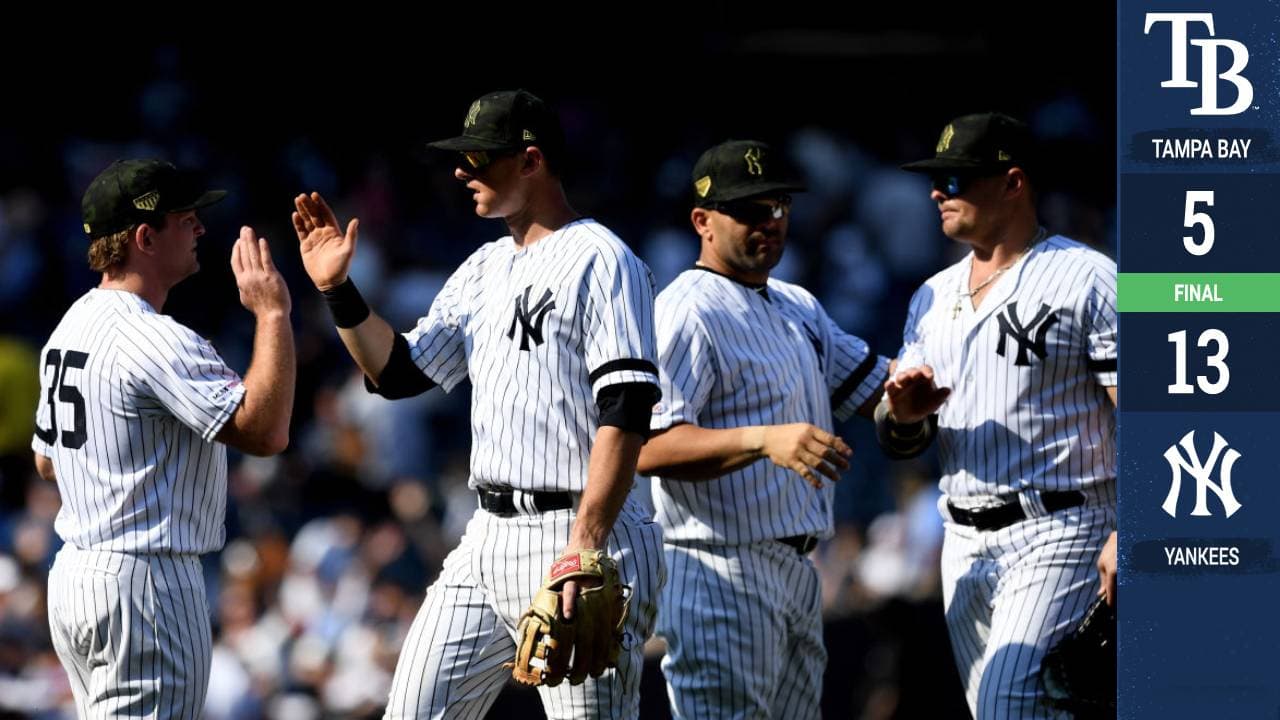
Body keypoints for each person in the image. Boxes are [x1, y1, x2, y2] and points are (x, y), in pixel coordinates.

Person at [292, 89, 664, 719]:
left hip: (579, 531)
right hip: (486, 533)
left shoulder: (603, 259)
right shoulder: (484, 266)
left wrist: (585, 546)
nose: (462, 171)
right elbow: (398, 372)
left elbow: (625, 410)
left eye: (481, 157)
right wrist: (338, 292)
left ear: (531, 161)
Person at [636, 140, 891, 719]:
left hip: (798, 571)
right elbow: (647, 445)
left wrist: (915, 386)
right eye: (749, 210)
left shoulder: (797, 303)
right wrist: (761, 438)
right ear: (702, 220)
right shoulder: (687, 309)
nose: (770, 223)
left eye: (778, 207)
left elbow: (876, 384)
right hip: (718, 568)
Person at [34, 159, 295, 718]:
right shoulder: (155, 338)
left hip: (77, 575)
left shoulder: (70, 325)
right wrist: (272, 314)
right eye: (185, 219)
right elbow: (266, 432)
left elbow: (45, 462)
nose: (200, 228)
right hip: (145, 585)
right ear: (145, 237)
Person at [884, 112, 1118, 718]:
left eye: (957, 180)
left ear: (1013, 183)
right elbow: (900, 439)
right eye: (937, 179)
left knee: (1007, 704)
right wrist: (905, 416)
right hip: (960, 539)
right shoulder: (930, 296)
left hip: (1060, 525)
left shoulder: (1089, 278)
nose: (938, 192)